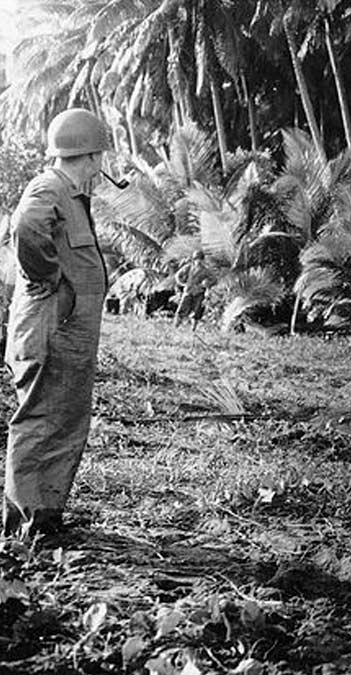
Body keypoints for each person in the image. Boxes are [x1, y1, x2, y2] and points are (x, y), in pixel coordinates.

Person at [4, 108, 112, 536]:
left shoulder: (69, 194)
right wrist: (48, 278)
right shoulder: (49, 187)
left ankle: (43, 518)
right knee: (40, 421)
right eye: (100, 156)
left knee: (62, 422)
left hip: (65, 335)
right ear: (90, 156)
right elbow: (27, 226)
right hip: (51, 332)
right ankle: (24, 522)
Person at [173, 250, 212, 330]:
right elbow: (178, 275)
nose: (199, 261)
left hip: (199, 292)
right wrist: (183, 284)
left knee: (197, 312)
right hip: (188, 291)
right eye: (197, 259)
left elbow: (214, 279)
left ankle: (193, 329)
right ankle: (175, 327)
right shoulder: (189, 267)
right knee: (181, 310)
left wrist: (206, 284)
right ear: (194, 259)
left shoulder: (206, 270)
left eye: (200, 259)